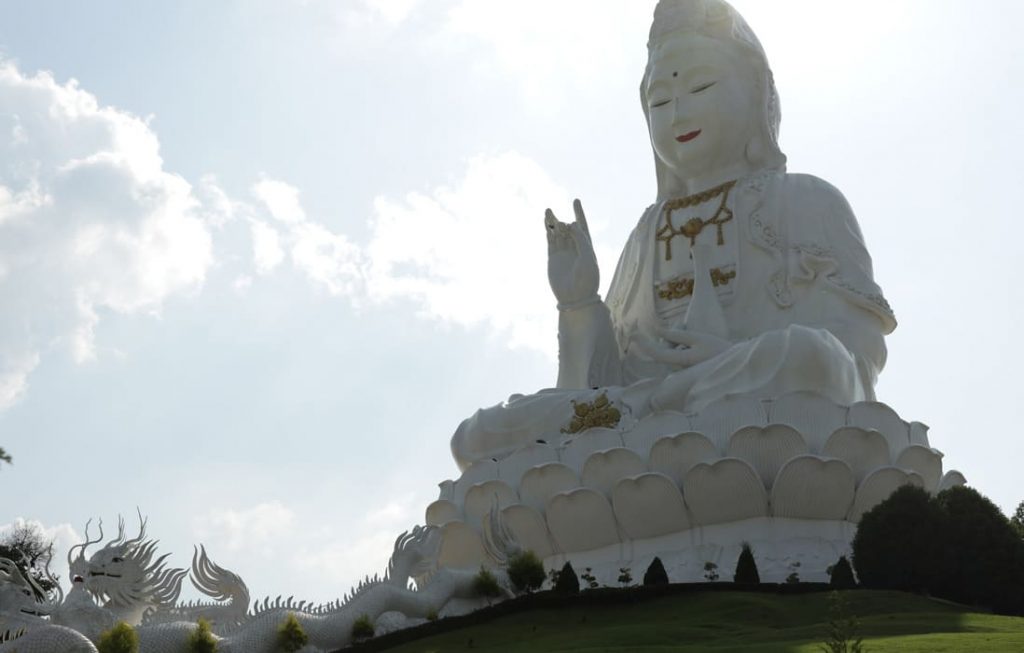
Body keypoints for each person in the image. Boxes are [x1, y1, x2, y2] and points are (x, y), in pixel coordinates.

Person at [451, 0, 895, 471]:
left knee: (807, 356)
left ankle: (654, 419)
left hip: (760, 405)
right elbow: (600, 386)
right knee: (476, 434)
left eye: (700, 87)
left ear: (754, 91)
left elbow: (851, 361)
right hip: (643, 410)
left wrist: (732, 358)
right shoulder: (647, 231)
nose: (678, 114)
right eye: (659, 101)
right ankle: (655, 416)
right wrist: (578, 304)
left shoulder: (805, 198)